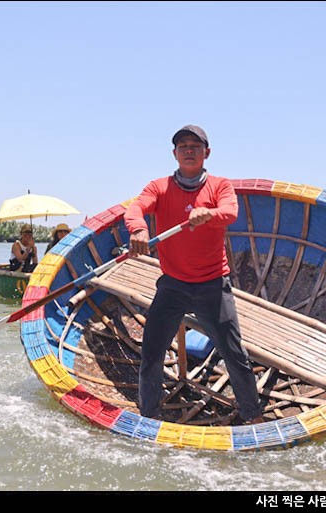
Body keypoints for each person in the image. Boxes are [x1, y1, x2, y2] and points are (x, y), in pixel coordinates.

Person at [124, 124, 263, 425]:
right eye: (182, 146)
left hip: (212, 285)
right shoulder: (158, 187)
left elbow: (230, 212)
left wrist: (209, 214)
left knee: (234, 353)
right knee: (151, 351)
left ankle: (252, 415)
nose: (188, 150)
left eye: (195, 146)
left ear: (206, 153)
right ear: (174, 154)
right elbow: (136, 209)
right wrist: (138, 228)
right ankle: (149, 414)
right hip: (173, 285)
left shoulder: (219, 185)